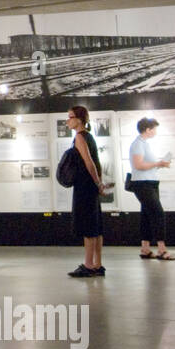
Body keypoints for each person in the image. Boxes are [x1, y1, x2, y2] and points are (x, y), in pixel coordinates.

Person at [67, 105, 108, 277]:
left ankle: (89, 264)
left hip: (85, 186)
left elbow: (89, 162)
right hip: (91, 185)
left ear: (79, 119)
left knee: (88, 226)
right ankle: (97, 264)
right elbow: (95, 162)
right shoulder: (89, 136)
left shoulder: (80, 137)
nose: (68, 120)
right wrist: (98, 183)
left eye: (70, 117)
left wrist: (98, 183)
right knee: (96, 226)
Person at [130, 117, 175, 260]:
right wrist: (158, 164)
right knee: (158, 213)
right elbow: (138, 165)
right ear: (147, 129)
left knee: (147, 215)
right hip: (143, 183)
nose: (155, 131)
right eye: (154, 129)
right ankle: (162, 249)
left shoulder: (144, 144)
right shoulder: (138, 144)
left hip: (150, 182)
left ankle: (145, 248)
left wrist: (159, 164)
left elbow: (146, 164)